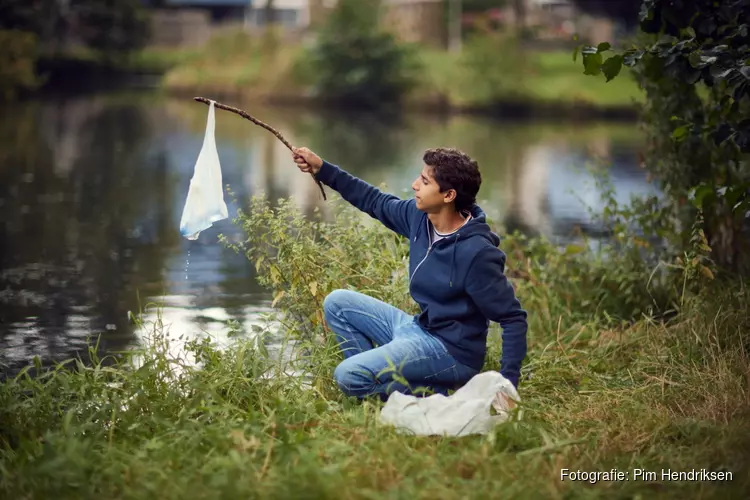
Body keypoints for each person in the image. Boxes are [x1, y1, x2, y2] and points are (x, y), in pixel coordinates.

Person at [292, 146, 528, 400]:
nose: (415, 185)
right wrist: (322, 169)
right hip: (417, 328)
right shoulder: (420, 218)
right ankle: (372, 385)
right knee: (337, 303)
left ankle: (426, 394)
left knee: (347, 375)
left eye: (425, 181)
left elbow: (512, 318)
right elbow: (374, 200)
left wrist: (508, 385)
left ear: (448, 195)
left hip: (451, 352)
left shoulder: (476, 253)